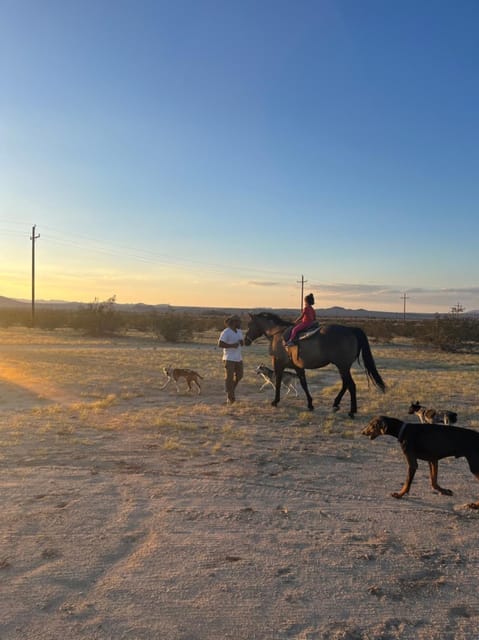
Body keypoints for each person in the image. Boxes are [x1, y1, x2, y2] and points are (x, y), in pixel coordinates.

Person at [218, 314, 244, 404]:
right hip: (229, 358)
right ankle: (231, 397)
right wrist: (232, 345)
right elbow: (220, 344)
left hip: (238, 358)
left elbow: (242, 343)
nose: (240, 323)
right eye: (239, 322)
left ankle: (230, 389)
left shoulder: (239, 331)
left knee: (240, 375)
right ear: (234, 322)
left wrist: (242, 342)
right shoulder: (226, 332)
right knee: (229, 377)